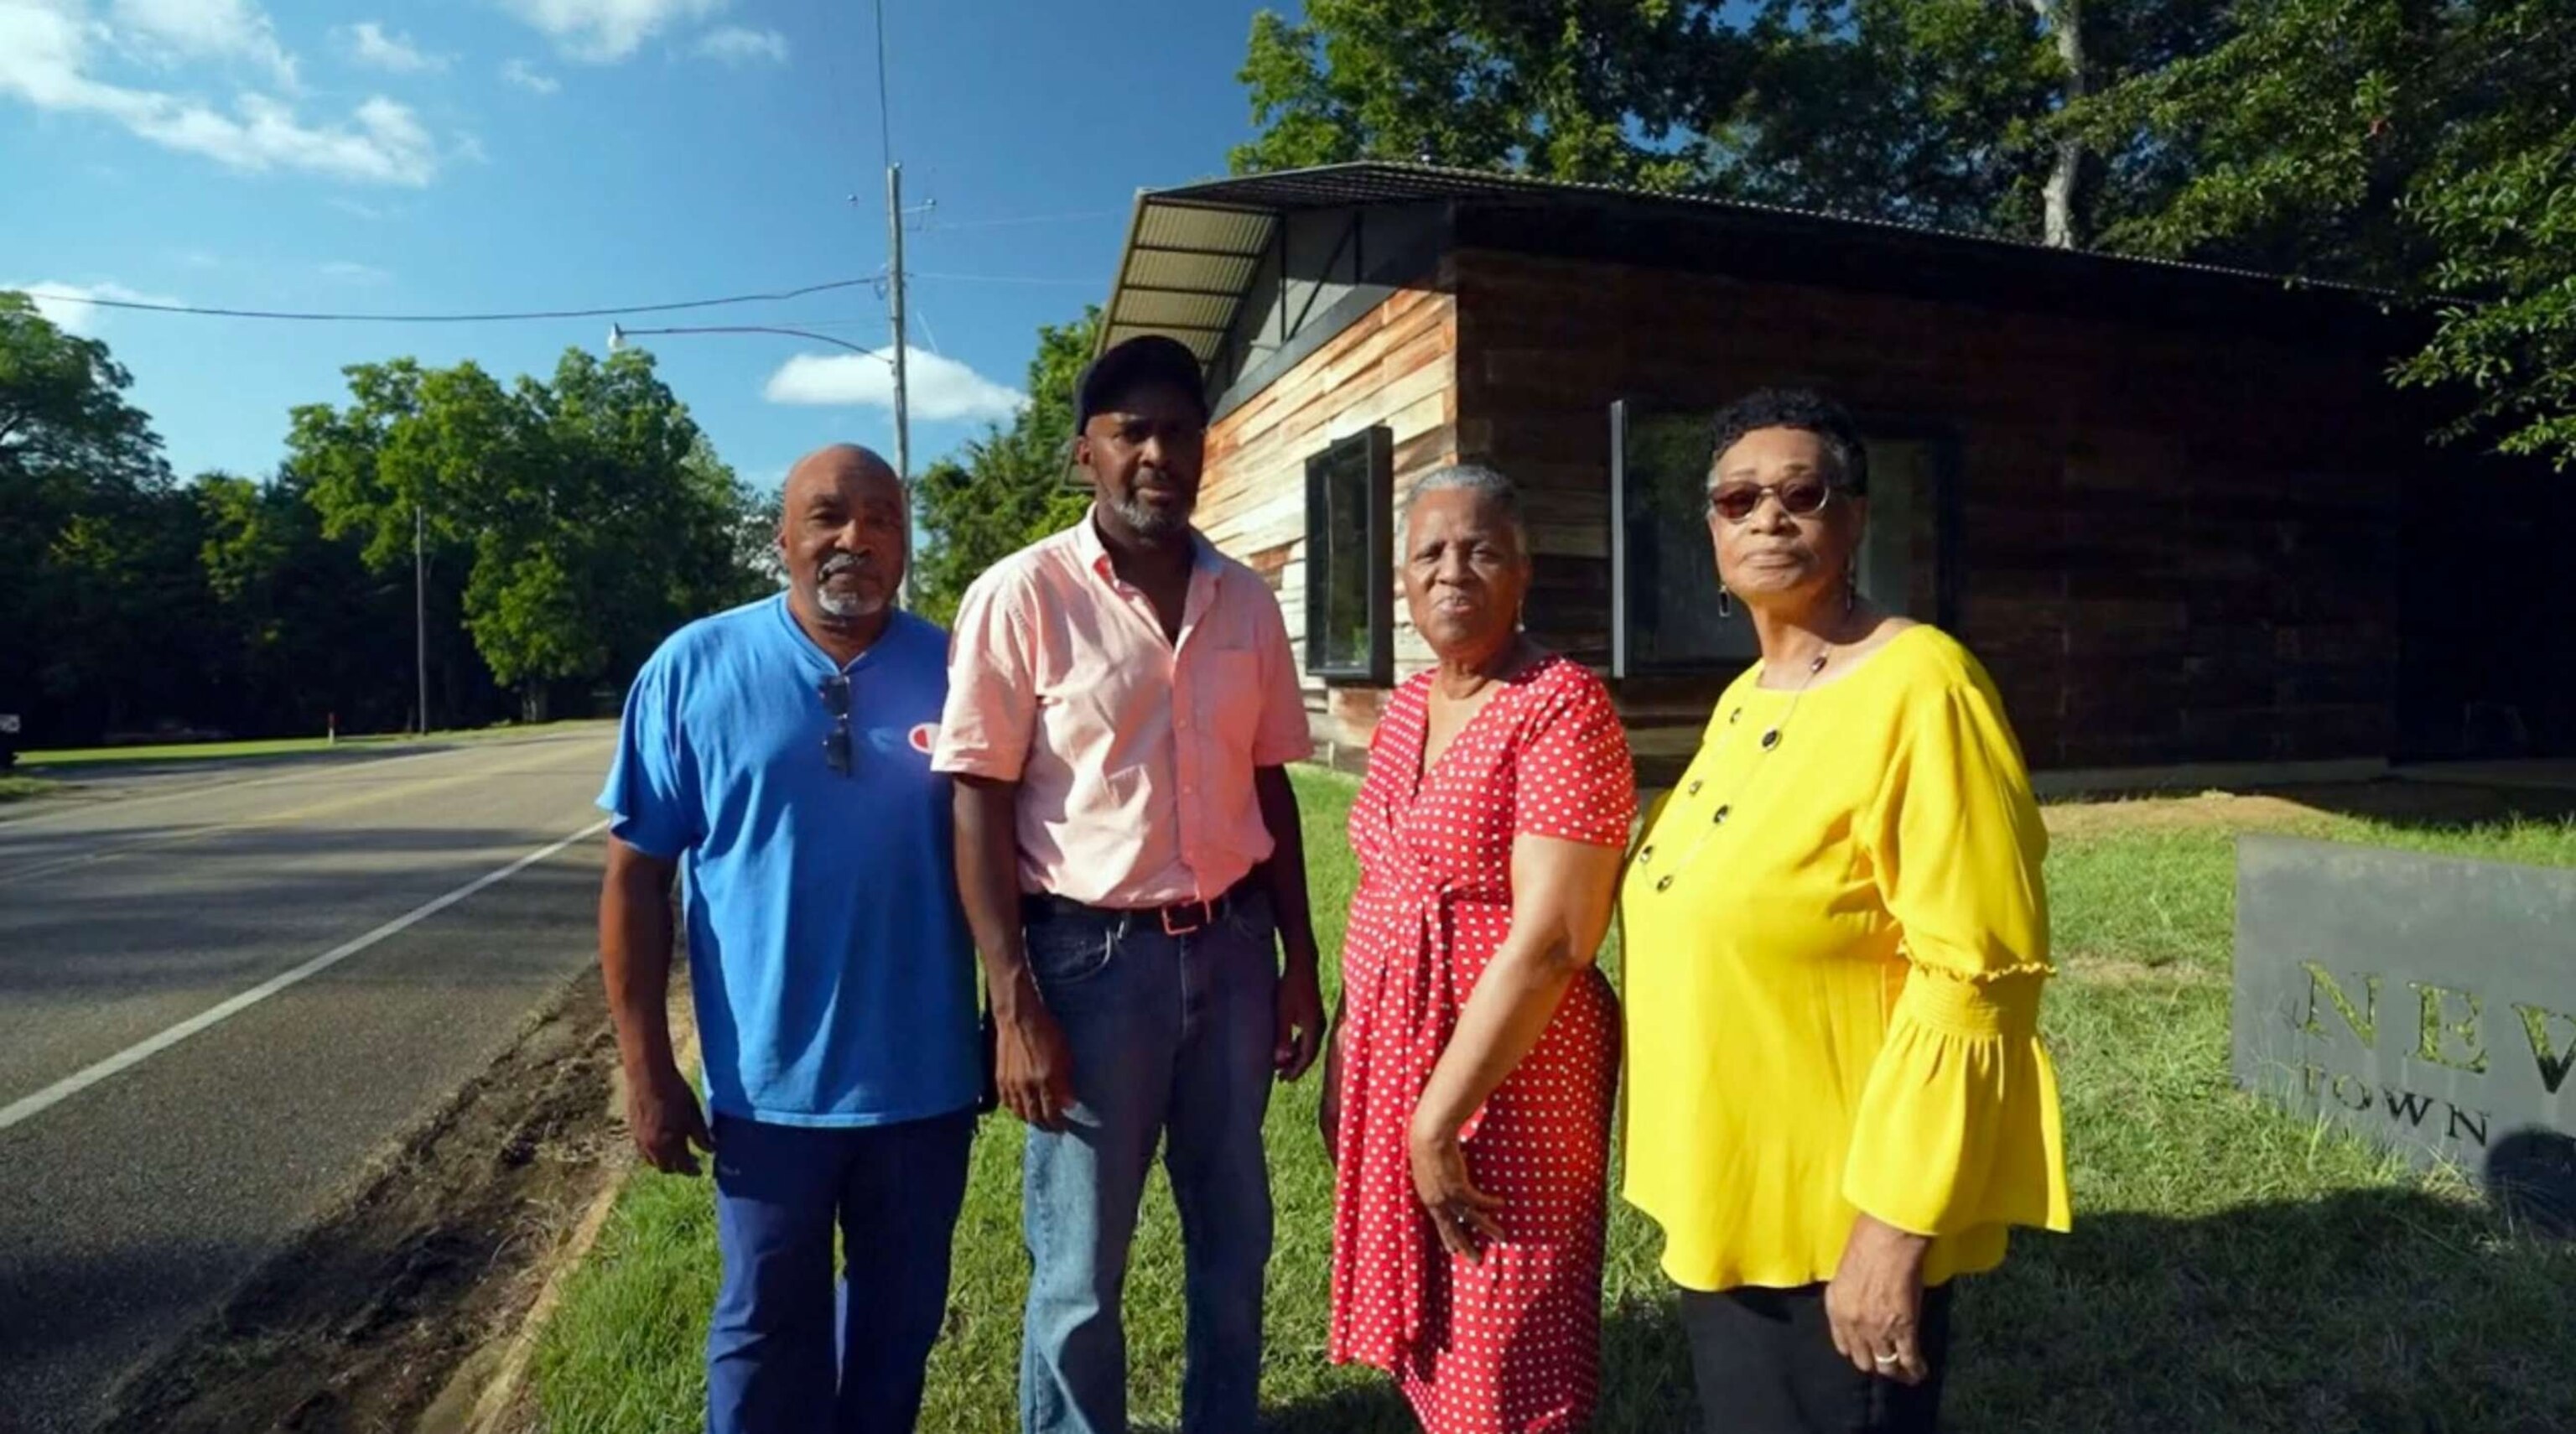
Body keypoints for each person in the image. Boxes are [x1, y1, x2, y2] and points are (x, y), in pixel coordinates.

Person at [1618, 389, 2072, 1434]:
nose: (1767, 517)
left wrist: (1892, 1230)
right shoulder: (1747, 698)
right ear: (1712, 530)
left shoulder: (1925, 686)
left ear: (1855, 516)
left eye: (1801, 493)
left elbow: (1979, 977)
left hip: (1837, 1220)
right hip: (1731, 1197)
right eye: (1738, 498)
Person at [932, 333, 1327, 1434]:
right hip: (1087, 968)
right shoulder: (1022, 595)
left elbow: (1272, 784)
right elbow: (977, 798)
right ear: (1084, 456)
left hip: (1237, 957)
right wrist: (1012, 1002)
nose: (1159, 451)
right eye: (1131, 431)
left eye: (1180, 430)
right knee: (1078, 1269)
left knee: (1236, 1237)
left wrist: (1300, 962)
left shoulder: (1244, 601)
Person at [596, 444, 980, 1434]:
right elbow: (638, 879)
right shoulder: (693, 669)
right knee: (764, 1330)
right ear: (783, 539)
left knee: (898, 1332)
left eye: (882, 518)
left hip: (926, 1086)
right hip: (766, 1093)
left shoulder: (963, 671)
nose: (855, 537)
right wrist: (646, 1068)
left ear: (905, 543)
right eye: (827, 516)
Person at [1323, 465, 1636, 1433]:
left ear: (1524, 571)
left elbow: (1553, 941)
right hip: (1397, 1051)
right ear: (1404, 583)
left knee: (1507, 1319)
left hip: (1514, 1065)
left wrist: (1431, 1122)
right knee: (1440, 1334)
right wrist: (1349, 1053)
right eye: (1429, 553)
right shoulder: (1408, 706)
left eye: (1481, 549)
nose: (1452, 570)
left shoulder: (1561, 705)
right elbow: (1381, 890)